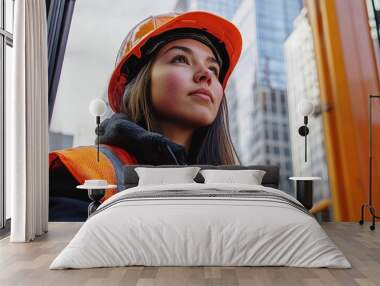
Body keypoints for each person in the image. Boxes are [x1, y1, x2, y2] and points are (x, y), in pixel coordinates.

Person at [49, 11, 243, 221]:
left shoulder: (235, 190)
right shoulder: (87, 170)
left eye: (214, 69)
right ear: (140, 81)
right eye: (181, 59)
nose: (206, 75)